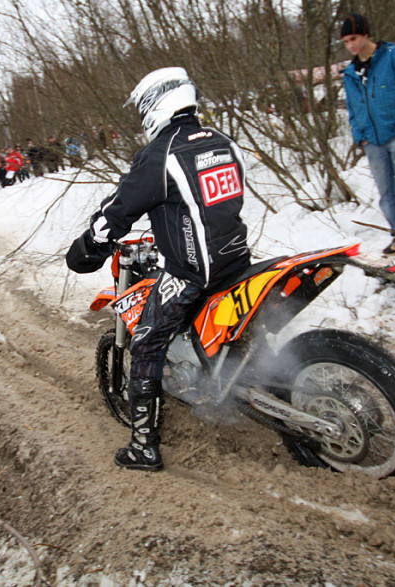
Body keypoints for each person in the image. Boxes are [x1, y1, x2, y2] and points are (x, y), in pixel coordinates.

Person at [66, 68, 251, 471]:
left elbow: (116, 213)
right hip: (238, 263)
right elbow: (206, 202)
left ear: (154, 104)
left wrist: (86, 250)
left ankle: (144, 446)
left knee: (147, 341)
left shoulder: (160, 154)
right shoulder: (224, 142)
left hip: (193, 276)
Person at [340, 13, 395, 254]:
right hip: (373, 142)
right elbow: (353, 108)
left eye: (354, 38)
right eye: (346, 41)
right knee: (385, 192)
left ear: (366, 34)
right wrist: (361, 136)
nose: (351, 45)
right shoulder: (350, 72)